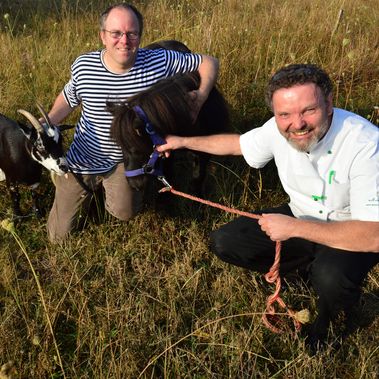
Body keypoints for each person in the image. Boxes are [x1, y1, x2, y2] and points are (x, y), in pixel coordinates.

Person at [157, 63, 379, 351]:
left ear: (329, 102)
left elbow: (373, 235)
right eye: (284, 114)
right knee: (225, 241)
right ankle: (303, 271)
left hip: (352, 232)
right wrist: (183, 141)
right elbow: (238, 144)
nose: (296, 124)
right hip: (300, 216)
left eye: (308, 110)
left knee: (331, 277)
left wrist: (294, 228)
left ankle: (330, 325)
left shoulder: (365, 143)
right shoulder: (276, 130)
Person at [45, 3, 219, 243]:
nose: (124, 41)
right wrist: (46, 126)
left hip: (126, 160)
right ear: (103, 36)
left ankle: (113, 191)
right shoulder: (84, 66)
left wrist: (200, 98)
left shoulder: (159, 61)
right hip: (83, 157)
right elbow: (68, 98)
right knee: (57, 237)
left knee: (124, 213)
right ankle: (88, 190)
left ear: (140, 36)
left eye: (132, 33)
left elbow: (209, 62)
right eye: (116, 33)